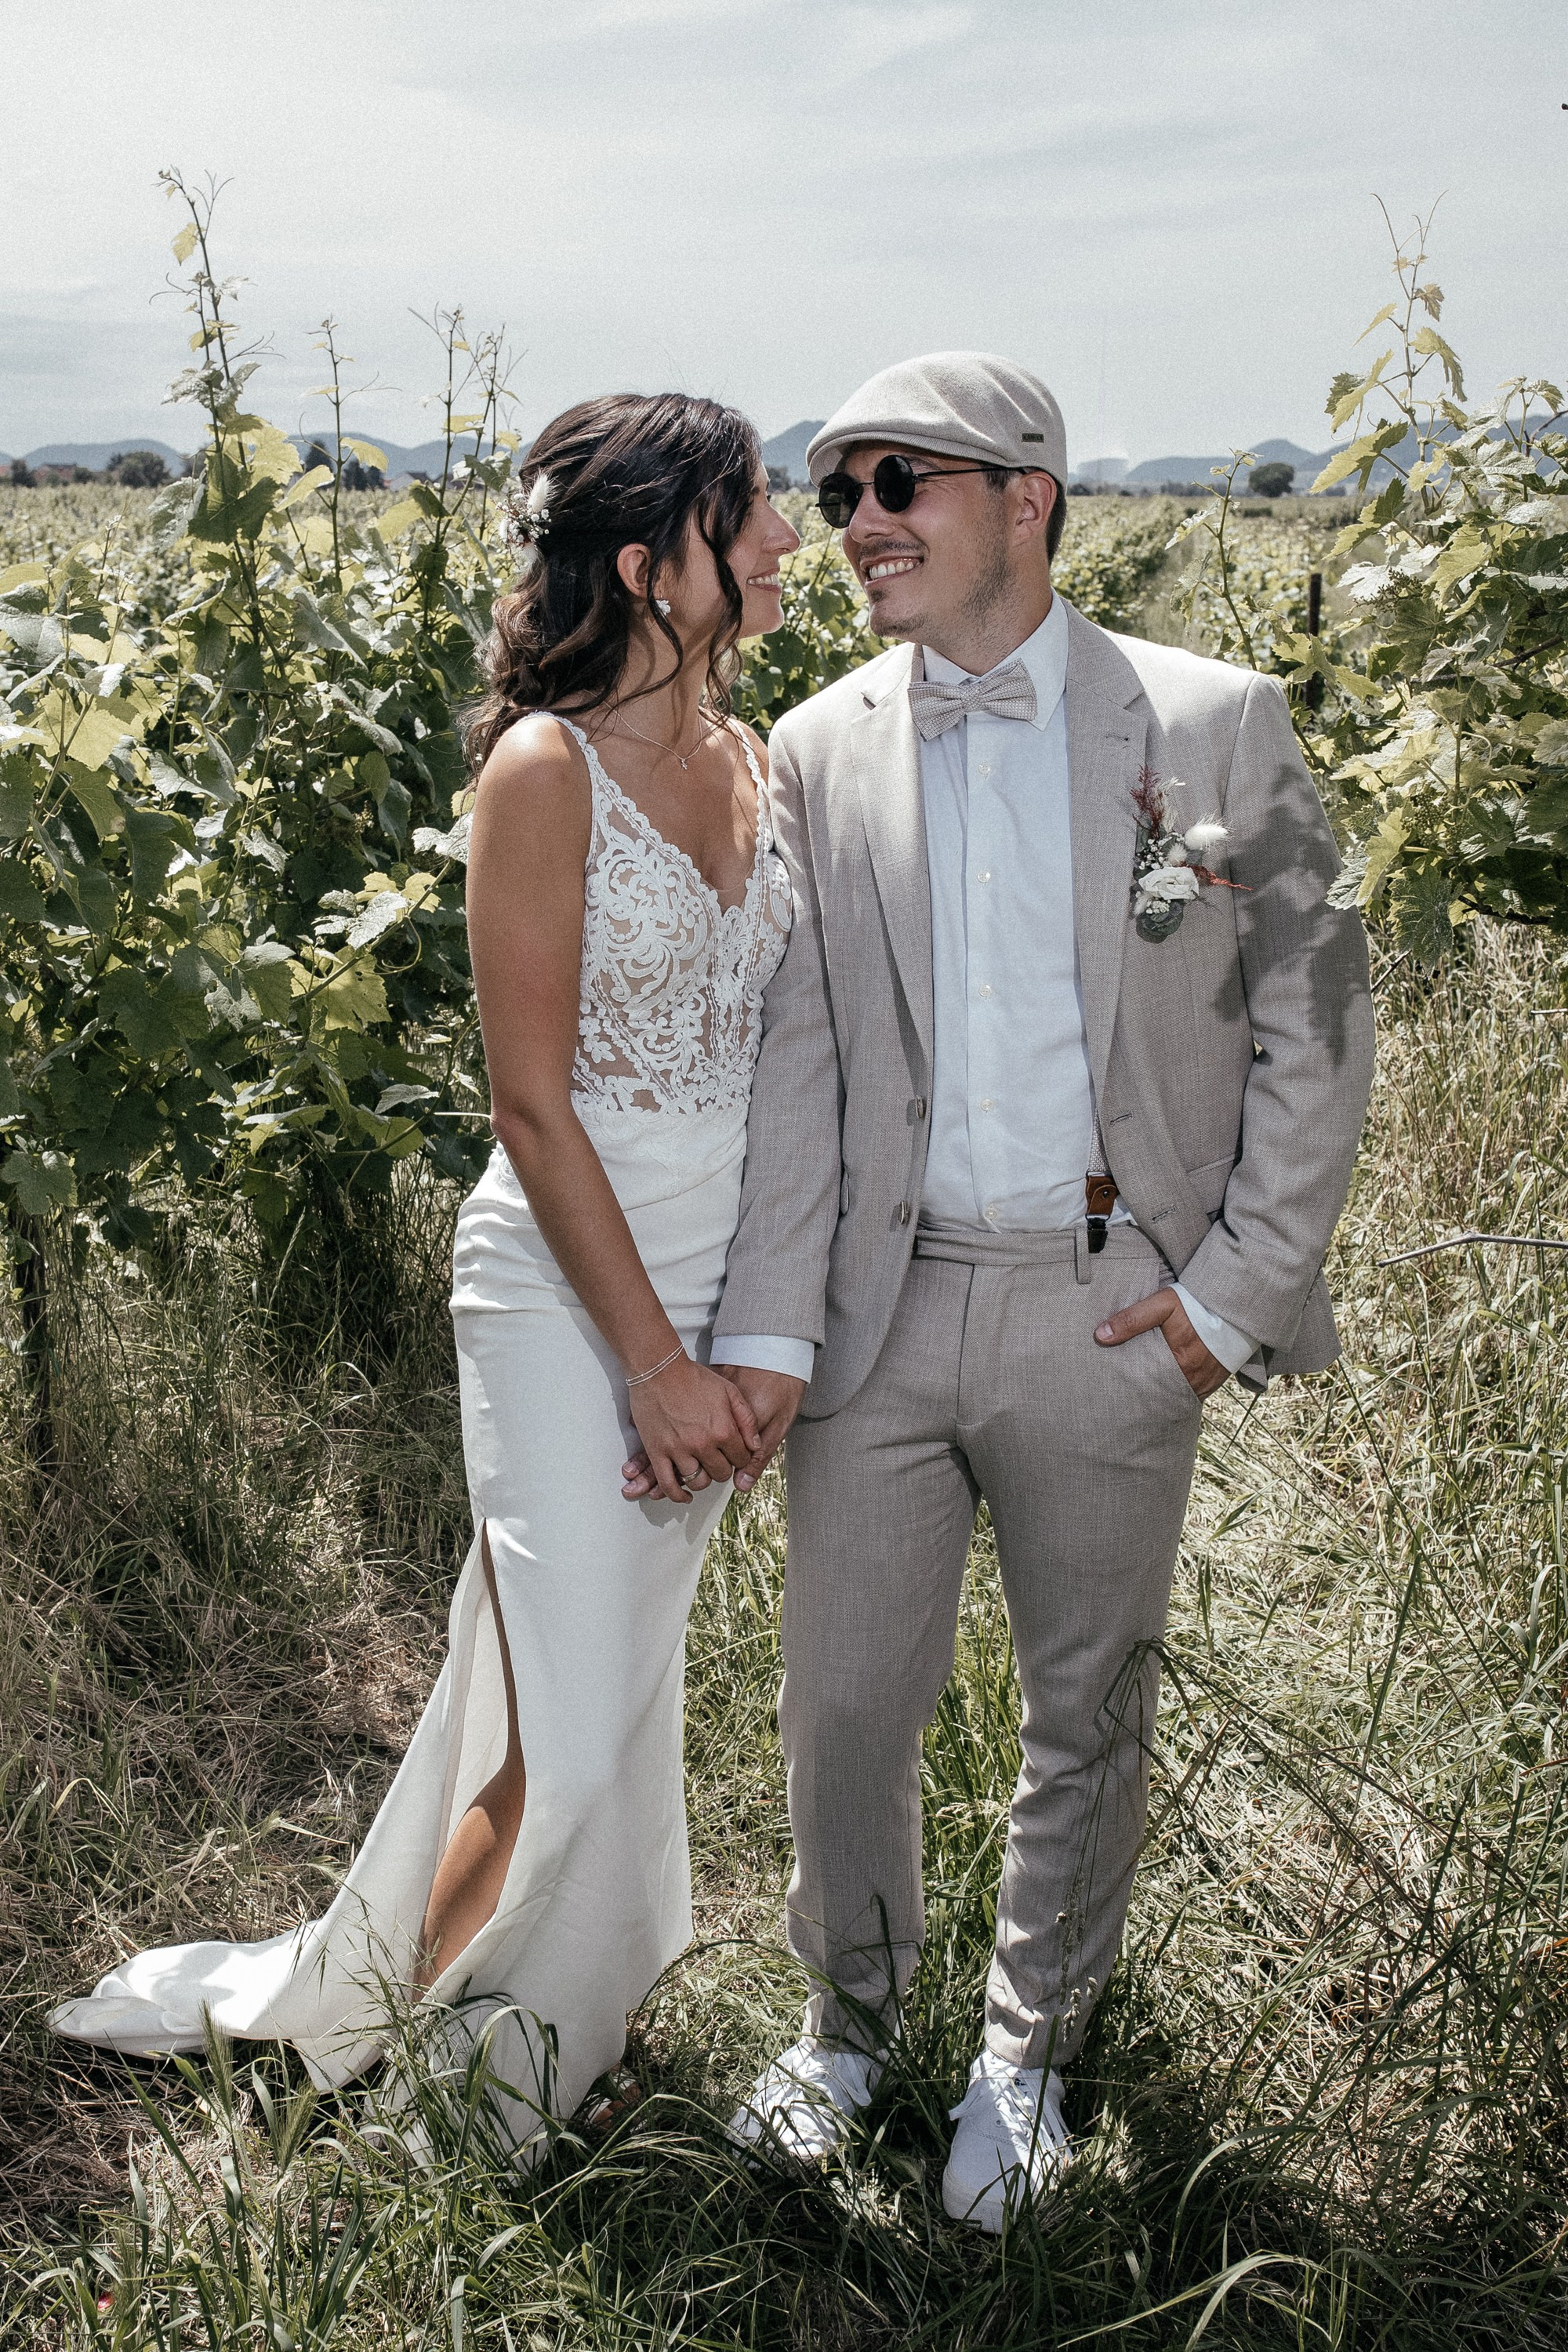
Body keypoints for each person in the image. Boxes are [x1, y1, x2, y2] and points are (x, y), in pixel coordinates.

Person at [49, 392, 801, 2150]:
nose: (783, 541)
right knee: (570, 1712)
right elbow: (533, 1114)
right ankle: (406, 2062)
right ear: (649, 562)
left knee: (581, 1686)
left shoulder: (760, 757)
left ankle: (528, 2013)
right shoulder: (543, 771)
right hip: (565, 1294)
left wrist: (751, 1333)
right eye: (750, 513)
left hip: (709, 1288)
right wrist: (652, 1367)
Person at [676, 351, 1374, 2228]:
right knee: (837, 1706)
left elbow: (1319, 1012)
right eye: (832, 495)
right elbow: (804, 1063)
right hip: (884, 1310)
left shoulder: (1213, 724)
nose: (857, 526)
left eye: (898, 482)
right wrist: (770, 1333)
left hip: (1109, 1305)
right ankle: (843, 2032)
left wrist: (1227, 1300)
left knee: (1089, 1704)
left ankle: (1028, 2057)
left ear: (1027, 497)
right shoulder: (813, 746)